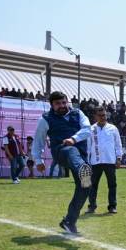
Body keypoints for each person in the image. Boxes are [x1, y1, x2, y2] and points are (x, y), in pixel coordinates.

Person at [32, 91, 93, 234]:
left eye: (64, 102)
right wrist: (38, 160)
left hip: (80, 154)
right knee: (71, 150)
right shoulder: (45, 119)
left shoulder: (78, 113)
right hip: (61, 152)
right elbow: (38, 141)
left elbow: (87, 129)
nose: (62, 105)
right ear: (52, 105)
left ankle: (69, 221)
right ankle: (82, 170)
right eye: (58, 103)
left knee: (86, 186)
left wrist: (73, 139)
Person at [86, 106, 122, 214]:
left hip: (110, 161)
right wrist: (87, 161)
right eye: (100, 115)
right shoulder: (91, 129)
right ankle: (92, 206)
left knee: (112, 185)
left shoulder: (113, 128)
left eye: (104, 115)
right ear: (96, 116)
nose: (103, 117)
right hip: (95, 161)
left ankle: (112, 206)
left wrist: (119, 158)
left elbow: (118, 144)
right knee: (92, 185)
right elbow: (88, 146)